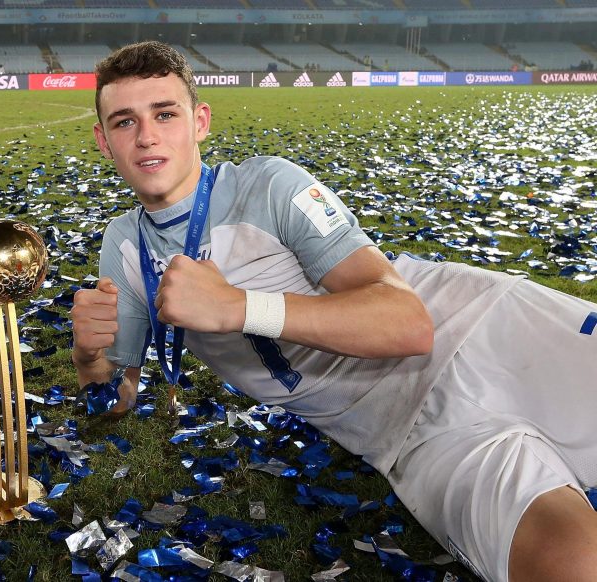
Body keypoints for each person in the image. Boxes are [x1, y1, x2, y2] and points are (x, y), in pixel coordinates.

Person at [70, 41, 597, 582]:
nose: (147, 136)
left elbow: (409, 323)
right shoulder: (125, 245)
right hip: (408, 435)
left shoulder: (269, 185)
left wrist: (240, 307)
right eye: (124, 122)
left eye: (165, 114)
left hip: (482, 330)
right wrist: (90, 359)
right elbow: (117, 396)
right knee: (570, 564)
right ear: (103, 141)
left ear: (200, 121)